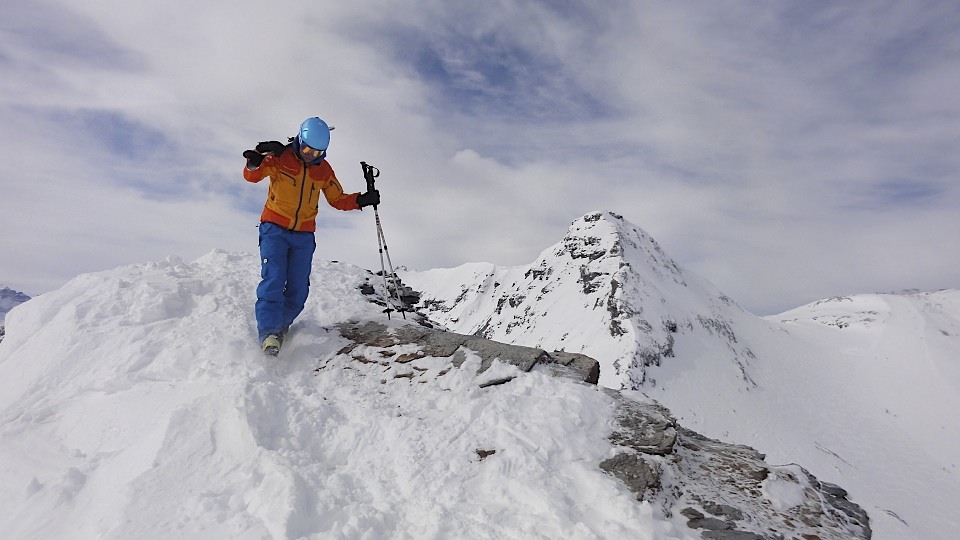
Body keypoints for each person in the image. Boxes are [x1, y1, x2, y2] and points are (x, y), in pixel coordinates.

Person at [243, 117, 380, 355]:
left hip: (304, 235)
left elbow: (337, 199)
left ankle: (280, 327)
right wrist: (256, 158)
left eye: (317, 152)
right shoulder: (279, 157)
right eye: (306, 148)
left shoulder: (323, 170)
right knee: (274, 279)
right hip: (274, 228)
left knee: (298, 291)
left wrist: (361, 200)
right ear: (299, 139)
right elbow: (251, 176)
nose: (309, 155)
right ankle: (269, 334)